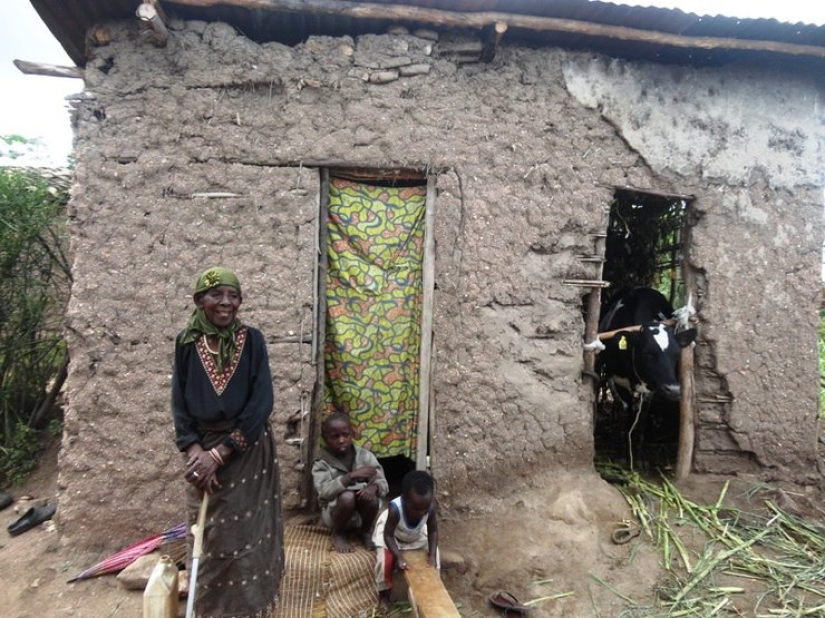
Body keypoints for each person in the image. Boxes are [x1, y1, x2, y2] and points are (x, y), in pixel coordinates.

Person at [171, 266, 284, 617]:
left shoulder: (253, 340)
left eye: (233, 296)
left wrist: (220, 454)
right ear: (198, 301)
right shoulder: (186, 342)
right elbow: (179, 402)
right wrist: (194, 452)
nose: (225, 303)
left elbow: (262, 402)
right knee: (206, 530)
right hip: (200, 449)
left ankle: (249, 607)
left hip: (245, 448)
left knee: (247, 530)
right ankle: (208, 608)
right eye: (216, 295)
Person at [312, 412, 388, 553]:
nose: (341, 440)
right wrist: (350, 477)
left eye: (345, 435)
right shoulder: (321, 462)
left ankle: (365, 531)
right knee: (348, 497)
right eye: (335, 437)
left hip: (360, 516)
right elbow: (324, 491)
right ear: (325, 438)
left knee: (370, 497)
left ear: (351, 434)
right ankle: (338, 533)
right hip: (335, 514)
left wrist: (374, 487)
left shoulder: (364, 456)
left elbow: (382, 482)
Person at [373, 470, 439, 612]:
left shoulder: (429, 509)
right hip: (392, 536)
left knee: (434, 553)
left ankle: (433, 589)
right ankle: (384, 595)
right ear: (404, 500)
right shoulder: (395, 509)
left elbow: (433, 531)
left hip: (415, 535)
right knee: (384, 561)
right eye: (416, 508)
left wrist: (432, 555)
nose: (421, 513)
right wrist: (398, 557)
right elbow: (388, 536)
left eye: (425, 509)